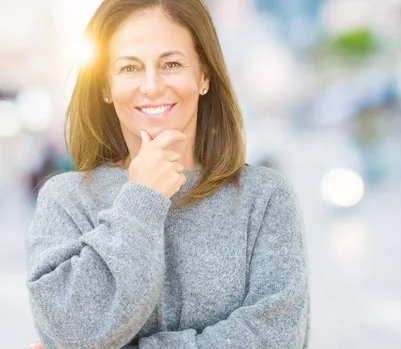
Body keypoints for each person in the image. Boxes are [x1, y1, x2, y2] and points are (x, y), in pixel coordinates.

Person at [25, 0, 310, 348]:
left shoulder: (264, 197)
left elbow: (275, 338)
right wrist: (141, 198)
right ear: (105, 87)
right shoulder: (66, 200)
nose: (152, 85)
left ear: (204, 75)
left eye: (171, 64)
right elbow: (70, 329)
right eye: (129, 68)